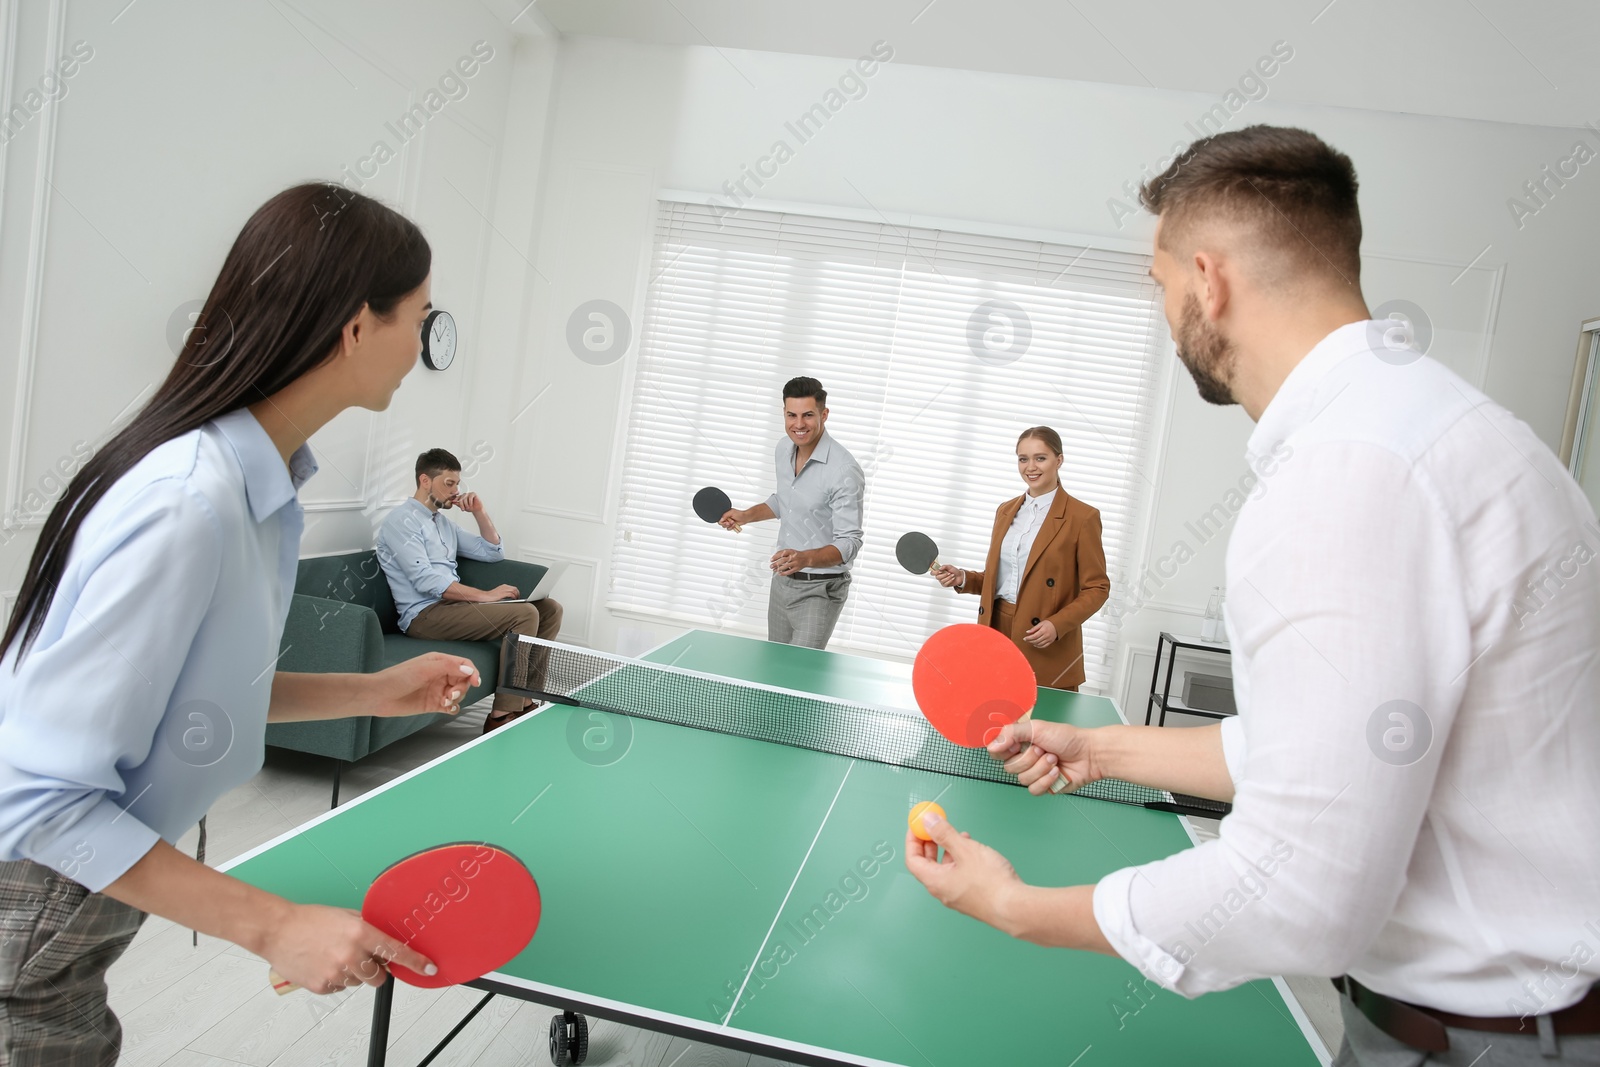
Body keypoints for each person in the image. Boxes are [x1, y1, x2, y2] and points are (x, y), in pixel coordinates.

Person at [905, 125, 1600, 1065]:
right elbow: (1332, 752)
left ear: (1208, 278)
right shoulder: (1460, 428)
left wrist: (1017, 907)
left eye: (1157, 285)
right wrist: (1099, 745)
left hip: (1491, 1044)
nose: (1162, 310)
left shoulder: (1343, 477)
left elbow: (1299, 889)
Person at [0, 183, 488, 1063]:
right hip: (36, 885)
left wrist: (375, 688)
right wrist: (273, 927)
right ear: (354, 328)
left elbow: (196, 697)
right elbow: (39, 799)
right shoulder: (192, 501)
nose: (422, 343)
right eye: (419, 316)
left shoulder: (255, 483)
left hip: (81, 879)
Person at [376, 448, 563, 733]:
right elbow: (426, 581)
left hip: (453, 609)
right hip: (424, 616)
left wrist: (480, 512)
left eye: (457, 484)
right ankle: (501, 714)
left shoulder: (443, 523)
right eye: (449, 483)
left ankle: (526, 698)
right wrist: (485, 596)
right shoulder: (401, 523)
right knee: (524, 614)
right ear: (425, 480)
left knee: (549, 610)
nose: (455, 490)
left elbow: (492, 552)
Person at [931, 426, 1109, 690]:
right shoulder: (1005, 511)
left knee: (1041, 727)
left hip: (1043, 638)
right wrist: (964, 578)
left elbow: (1097, 588)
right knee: (992, 722)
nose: (1030, 467)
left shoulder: (1082, 517)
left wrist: (1057, 625)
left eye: (1040, 458)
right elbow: (1005, 579)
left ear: (1058, 460)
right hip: (996, 629)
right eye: (1023, 458)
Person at [717, 377, 865, 649]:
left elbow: (850, 542)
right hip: (782, 581)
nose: (798, 424)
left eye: (808, 415)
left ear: (824, 414)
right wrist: (745, 515)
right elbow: (786, 500)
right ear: (783, 413)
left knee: (799, 675)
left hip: (821, 590)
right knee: (775, 667)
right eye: (791, 415)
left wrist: (804, 557)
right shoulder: (783, 449)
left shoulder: (844, 471)